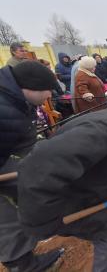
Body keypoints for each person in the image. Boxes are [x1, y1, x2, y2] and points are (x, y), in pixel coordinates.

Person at [17, 93, 107, 272]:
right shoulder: (105, 129)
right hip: (72, 197)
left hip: (93, 185)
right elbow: (43, 165)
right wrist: (44, 217)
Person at [0, 61, 63, 271]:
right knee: (7, 217)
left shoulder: (13, 99)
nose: (49, 98)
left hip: (12, 164)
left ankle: (24, 259)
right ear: (31, 88)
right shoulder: (4, 110)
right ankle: (22, 265)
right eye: (47, 92)